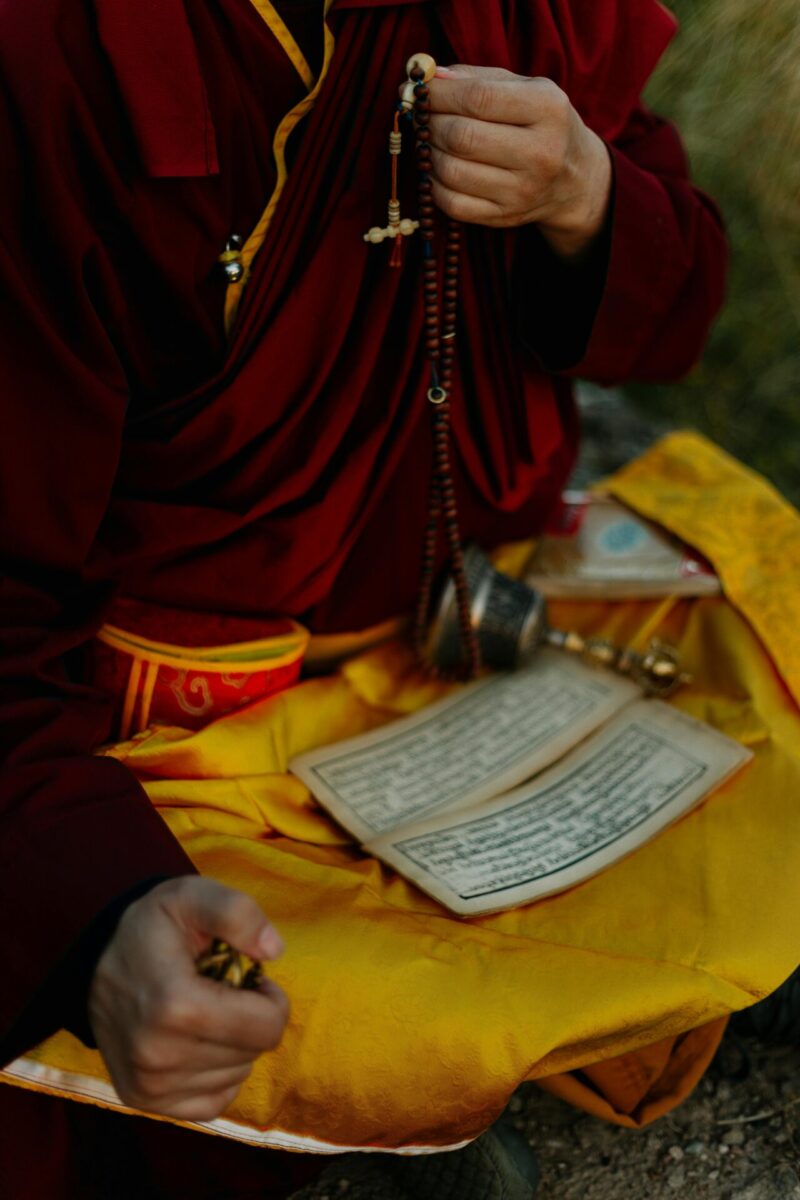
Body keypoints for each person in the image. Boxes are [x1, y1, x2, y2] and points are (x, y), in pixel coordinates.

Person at [0, 0, 746, 1196]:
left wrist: (582, 193)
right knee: (207, 995)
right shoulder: (56, 60)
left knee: (768, 649)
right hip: (173, 736)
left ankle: (427, 1075)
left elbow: (679, 305)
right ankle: (402, 1088)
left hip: (459, 637)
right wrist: (100, 915)